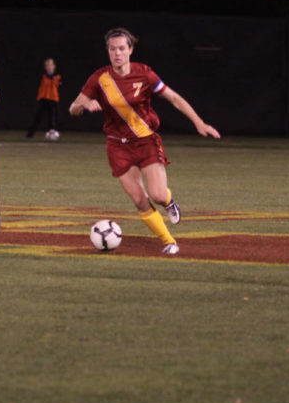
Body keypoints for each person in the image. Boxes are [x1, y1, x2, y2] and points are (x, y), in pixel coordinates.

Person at [69, 27, 220, 254]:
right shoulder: (99, 78)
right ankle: (169, 241)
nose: (117, 53)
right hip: (117, 146)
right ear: (108, 52)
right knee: (140, 200)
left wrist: (199, 122)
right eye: (112, 49)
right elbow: (72, 108)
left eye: (121, 48)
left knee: (158, 194)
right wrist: (83, 106)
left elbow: (174, 98)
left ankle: (169, 202)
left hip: (146, 140)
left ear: (130, 50)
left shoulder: (145, 74)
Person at [26, 57, 62, 138]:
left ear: (54, 66)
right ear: (45, 67)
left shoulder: (58, 77)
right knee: (37, 117)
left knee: (53, 117)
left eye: (51, 64)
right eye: (47, 65)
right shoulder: (42, 76)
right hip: (43, 99)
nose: (49, 66)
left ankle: (52, 132)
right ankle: (30, 135)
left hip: (53, 99)